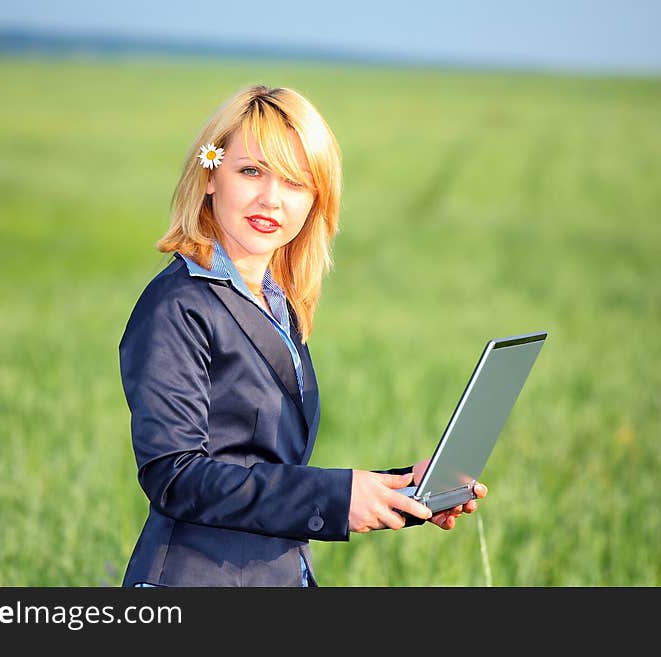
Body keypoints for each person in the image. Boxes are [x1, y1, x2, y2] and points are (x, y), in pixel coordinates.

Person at [118, 84, 487, 587]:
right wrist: (336, 497)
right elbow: (176, 476)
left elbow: (263, 464)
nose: (271, 199)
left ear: (316, 199)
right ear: (210, 174)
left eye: (295, 182)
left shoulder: (279, 304)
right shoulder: (177, 305)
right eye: (251, 171)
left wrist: (397, 488)